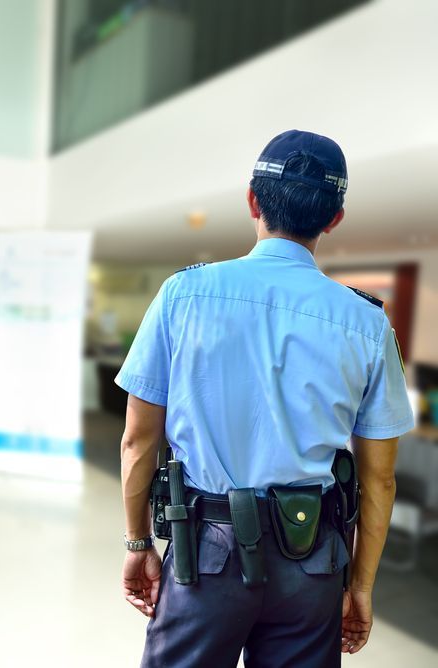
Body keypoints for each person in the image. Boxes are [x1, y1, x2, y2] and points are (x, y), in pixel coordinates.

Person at [115, 130, 414, 667]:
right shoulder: (368, 323)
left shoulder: (182, 296)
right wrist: (361, 585)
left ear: (252, 200)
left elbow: (138, 440)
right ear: (334, 219)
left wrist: (139, 544)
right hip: (313, 560)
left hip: (203, 554)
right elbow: (379, 479)